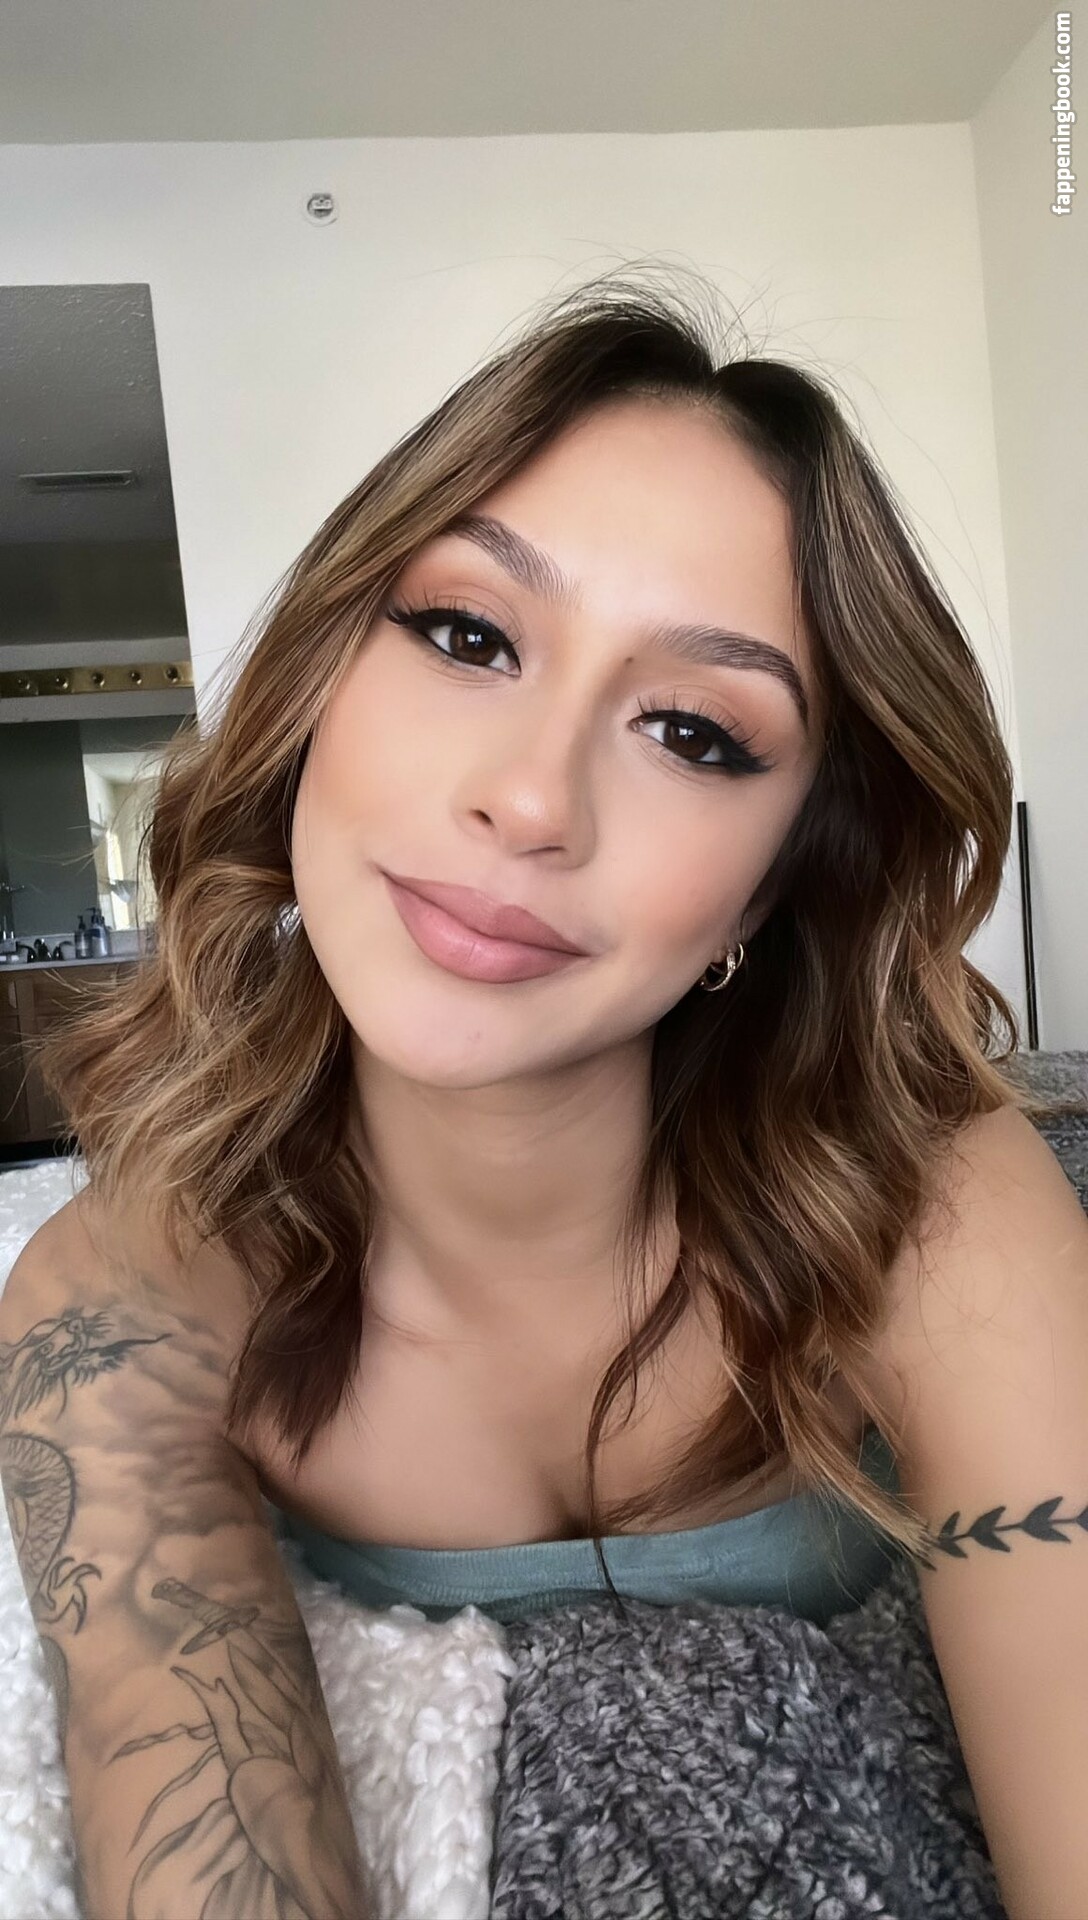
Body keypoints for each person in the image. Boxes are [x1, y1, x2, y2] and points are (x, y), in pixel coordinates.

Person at [0, 269, 1036, 1916]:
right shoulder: (120, 1294)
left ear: (774, 884)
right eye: (469, 635)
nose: (532, 801)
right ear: (321, 683)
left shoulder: (945, 1204)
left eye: (694, 731)